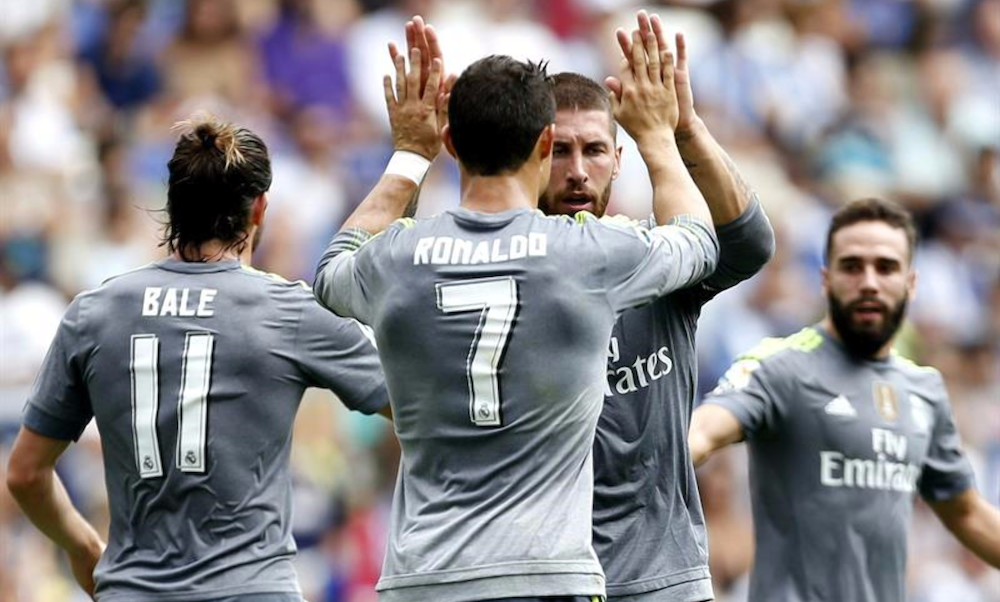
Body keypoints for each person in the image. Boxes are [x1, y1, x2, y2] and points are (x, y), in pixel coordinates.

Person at [313, 14, 719, 602]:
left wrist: (409, 155)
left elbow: (331, 274)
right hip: (546, 575)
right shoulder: (586, 253)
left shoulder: (398, 257)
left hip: (427, 577)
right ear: (545, 145)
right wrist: (657, 138)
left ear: (452, 144)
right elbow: (698, 241)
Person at [5, 115, 391, 602]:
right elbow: (419, 405)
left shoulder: (95, 312)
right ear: (259, 209)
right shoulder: (287, 311)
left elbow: (25, 473)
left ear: (173, 208)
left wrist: (83, 547)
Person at [537, 12, 774, 602]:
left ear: (619, 160)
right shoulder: (499, 270)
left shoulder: (658, 258)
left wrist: (682, 128)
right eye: (559, 151)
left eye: (594, 150)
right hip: (547, 577)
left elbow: (750, 243)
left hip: (666, 578)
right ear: (532, 158)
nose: (577, 171)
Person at [689, 197, 1000, 602]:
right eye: (852, 266)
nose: (869, 281)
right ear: (826, 278)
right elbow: (701, 433)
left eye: (886, 267)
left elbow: (967, 513)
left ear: (911, 283)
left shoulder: (923, 389)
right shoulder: (780, 366)